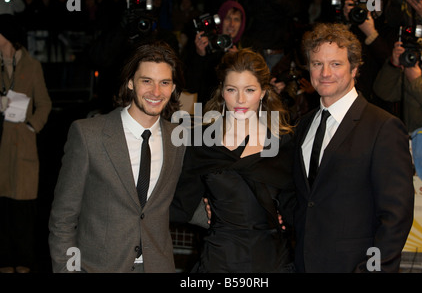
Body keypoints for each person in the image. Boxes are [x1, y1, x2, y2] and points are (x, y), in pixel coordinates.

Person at [48, 40, 186, 273]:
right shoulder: (88, 134)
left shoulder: (178, 139)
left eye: (164, 82)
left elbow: (182, 200)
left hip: (157, 266)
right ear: (130, 82)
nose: (156, 92)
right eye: (146, 81)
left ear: (173, 88)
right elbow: (63, 218)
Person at [293, 22, 414, 273]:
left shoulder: (384, 127)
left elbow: (396, 219)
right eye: (317, 63)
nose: (325, 72)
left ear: (355, 68)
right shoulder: (303, 126)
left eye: (336, 64)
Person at [170, 48, 297, 273]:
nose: (240, 100)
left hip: (272, 261)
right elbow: (178, 203)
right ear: (221, 91)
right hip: (219, 259)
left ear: (264, 92)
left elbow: (300, 203)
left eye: (249, 90)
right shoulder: (200, 142)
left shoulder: (285, 144)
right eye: (231, 90)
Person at [0, 14, 52, 273]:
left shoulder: (32, 66)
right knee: (3, 211)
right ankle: (4, 261)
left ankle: (24, 262)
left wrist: (32, 125)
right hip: (1, 149)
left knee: (22, 211)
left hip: (23, 147)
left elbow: (45, 103)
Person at [373, 25, 422, 133]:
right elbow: (383, 93)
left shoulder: (417, 78)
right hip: (413, 141)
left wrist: (417, 82)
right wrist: (393, 66)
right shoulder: (412, 73)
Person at [184, 0, 246, 107]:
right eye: (228, 18)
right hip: (207, 114)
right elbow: (191, 87)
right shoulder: (206, 47)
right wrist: (200, 55)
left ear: (242, 24)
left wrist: (238, 61)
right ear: (220, 21)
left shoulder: (246, 51)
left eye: (236, 20)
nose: (232, 24)